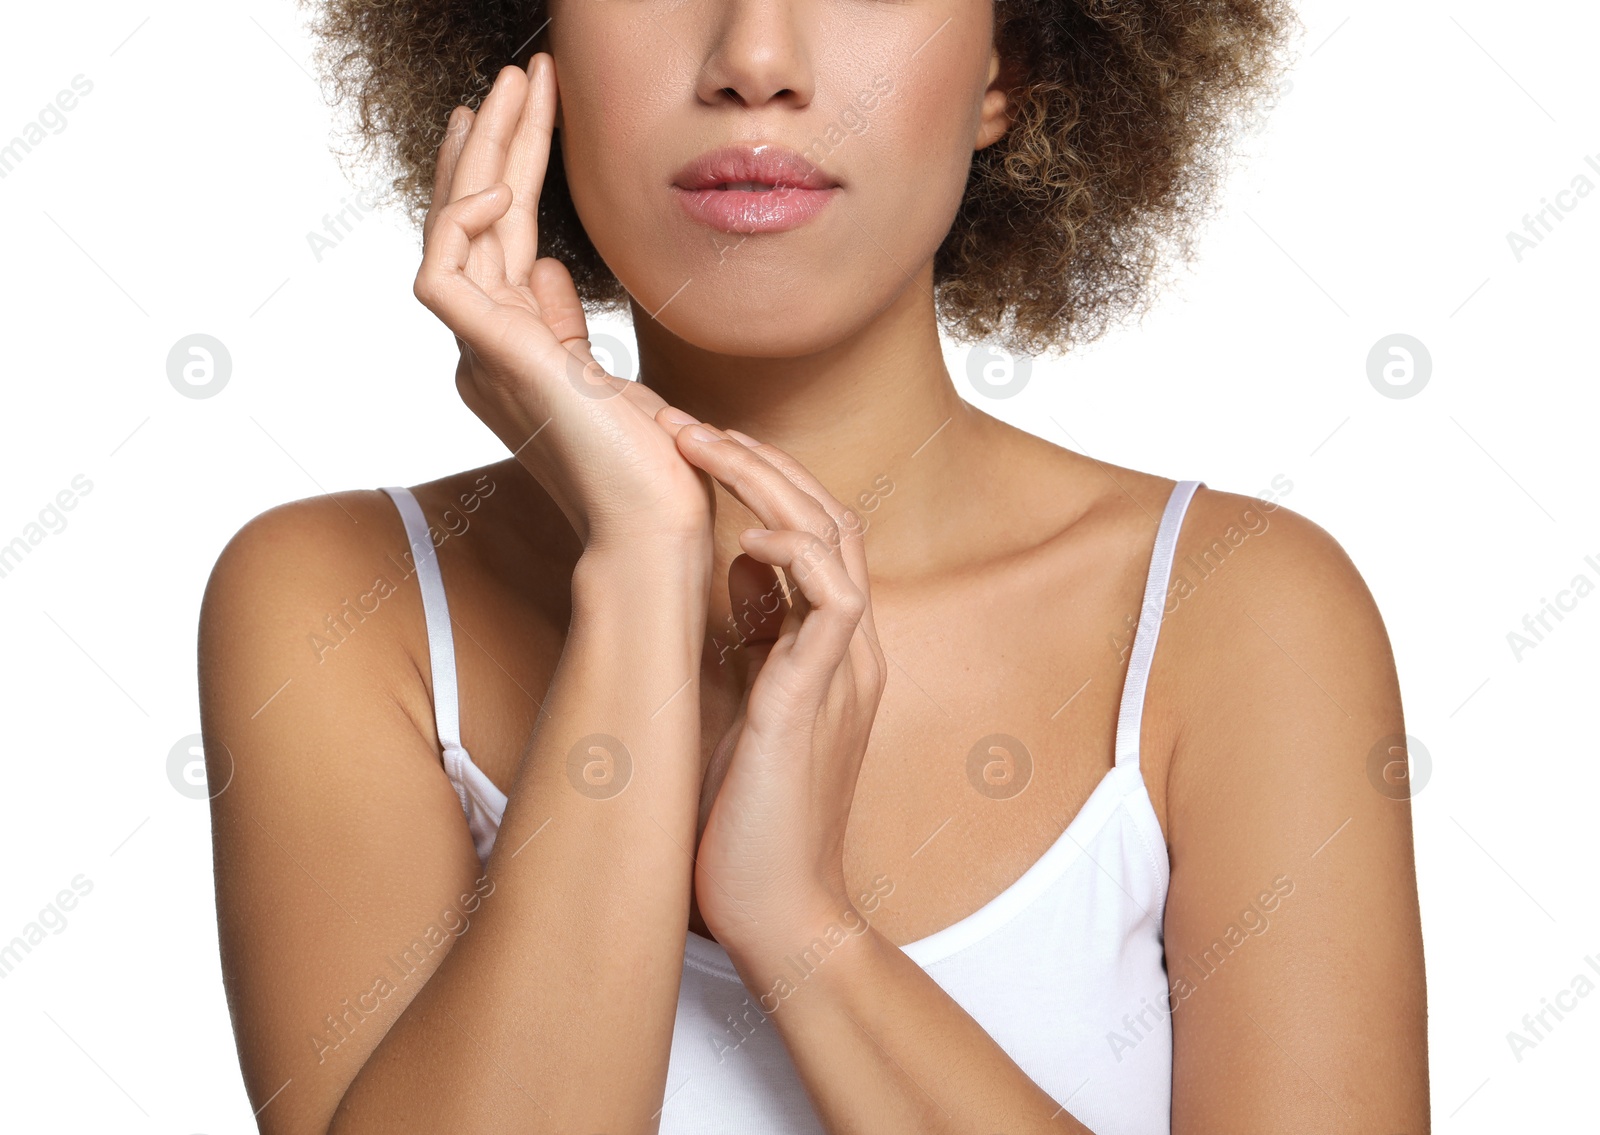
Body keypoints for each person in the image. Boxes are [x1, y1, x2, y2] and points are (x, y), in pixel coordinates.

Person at [197, 2, 1429, 1131]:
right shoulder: (341, 602)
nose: (755, 64)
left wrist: (799, 924)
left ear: (1011, 65)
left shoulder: (1237, 614)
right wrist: (638, 568)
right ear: (537, 50)